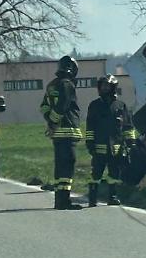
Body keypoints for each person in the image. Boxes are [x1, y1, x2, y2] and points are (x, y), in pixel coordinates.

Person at [84, 74, 136, 207]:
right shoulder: (94, 105)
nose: (104, 89)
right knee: (96, 174)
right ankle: (92, 198)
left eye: (107, 86)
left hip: (116, 148)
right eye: (103, 86)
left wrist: (131, 143)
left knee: (114, 174)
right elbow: (90, 126)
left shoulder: (120, 105)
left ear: (113, 87)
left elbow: (128, 126)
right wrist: (90, 143)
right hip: (99, 147)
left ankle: (112, 197)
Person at [40, 55, 83, 210]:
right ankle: (64, 201)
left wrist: (50, 120)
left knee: (60, 166)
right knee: (67, 167)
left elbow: (43, 106)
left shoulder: (51, 85)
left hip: (57, 134)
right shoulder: (67, 84)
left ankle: (59, 200)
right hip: (67, 130)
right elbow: (64, 105)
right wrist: (54, 120)